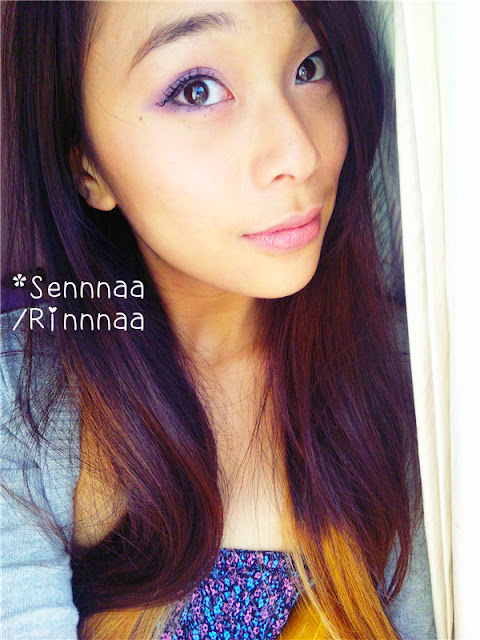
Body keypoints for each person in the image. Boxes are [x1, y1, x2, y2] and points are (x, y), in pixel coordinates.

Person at [0, 1, 436, 639]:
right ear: (86, 163)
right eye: (196, 90)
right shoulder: (24, 405)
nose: (299, 152)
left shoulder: (415, 381)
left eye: (311, 66)